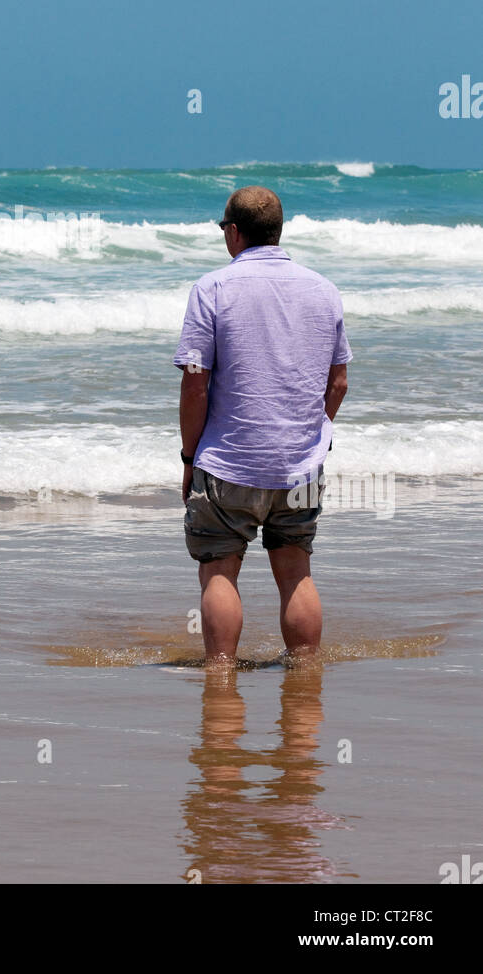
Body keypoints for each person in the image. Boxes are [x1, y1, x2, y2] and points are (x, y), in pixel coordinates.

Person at [174, 186, 351, 664]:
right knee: (295, 570)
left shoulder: (212, 289)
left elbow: (195, 385)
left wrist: (190, 457)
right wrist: (311, 435)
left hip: (229, 461)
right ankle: (305, 674)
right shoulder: (323, 289)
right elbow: (338, 384)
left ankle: (221, 675)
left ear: (233, 232)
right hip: (300, 465)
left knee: (218, 570)